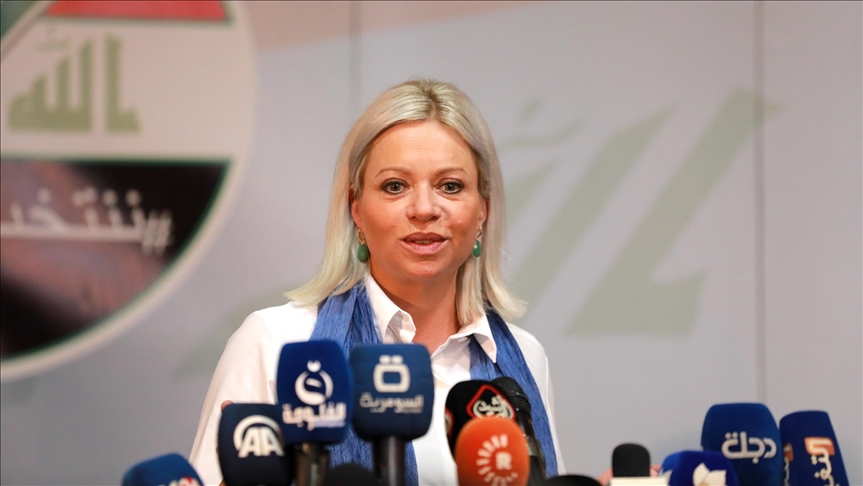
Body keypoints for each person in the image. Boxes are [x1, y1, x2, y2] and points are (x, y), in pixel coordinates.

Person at [189, 79, 565, 486]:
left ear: (482, 211)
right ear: (356, 209)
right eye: (395, 186)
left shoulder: (524, 358)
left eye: (450, 186)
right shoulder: (278, 343)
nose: (424, 209)